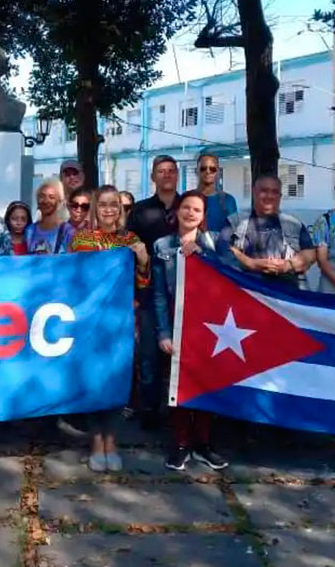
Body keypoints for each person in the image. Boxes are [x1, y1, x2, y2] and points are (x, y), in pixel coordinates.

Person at [70, 186, 151, 472]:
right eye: (103, 204)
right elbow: (70, 281)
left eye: (114, 204)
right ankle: (95, 442)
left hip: (121, 323)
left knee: (117, 381)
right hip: (90, 323)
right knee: (94, 382)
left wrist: (142, 260)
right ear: (95, 208)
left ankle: (111, 442)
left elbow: (142, 285)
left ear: (121, 208)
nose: (108, 210)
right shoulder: (81, 240)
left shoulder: (130, 240)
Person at [153, 191, 229, 472]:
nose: (190, 213)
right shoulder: (162, 245)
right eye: (186, 207)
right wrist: (163, 333)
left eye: (197, 209)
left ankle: (204, 443)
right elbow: (160, 293)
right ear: (178, 210)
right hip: (177, 320)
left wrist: (204, 255)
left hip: (210, 326)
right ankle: (182, 442)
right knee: (178, 384)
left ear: (203, 215)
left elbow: (228, 276)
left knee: (205, 384)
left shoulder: (214, 242)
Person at [127, 155, 180, 426]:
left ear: (178, 175)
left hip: (185, 294)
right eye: (161, 171)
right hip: (148, 291)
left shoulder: (189, 205)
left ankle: (179, 413)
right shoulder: (140, 211)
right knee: (149, 354)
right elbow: (128, 251)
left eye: (171, 171)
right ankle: (148, 411)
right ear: (153, 177)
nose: (167, 175)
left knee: (180, 358)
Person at [218, 174, 316, 287]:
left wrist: (287, 265)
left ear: (280, 196)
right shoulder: (235, 221)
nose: (269, 196)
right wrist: (251, 263)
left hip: (287, 295)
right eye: (264, 190)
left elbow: (310, 254)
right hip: (247, 292)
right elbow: (223, 250)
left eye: (275, 192)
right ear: (253, 192)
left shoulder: (294, 223)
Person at [26, 179, 75, 254]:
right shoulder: (30, 230)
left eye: (51, 197)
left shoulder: (67, 231)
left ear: (59, 203)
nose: (46, 201)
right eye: (42, 196)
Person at [195, 152, 238, 232]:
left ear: (218, 172)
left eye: (212, 169)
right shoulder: (186, 198)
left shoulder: (228, 201)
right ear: (196, 171)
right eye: (203, 168)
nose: (208, 172)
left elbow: (236, 234)